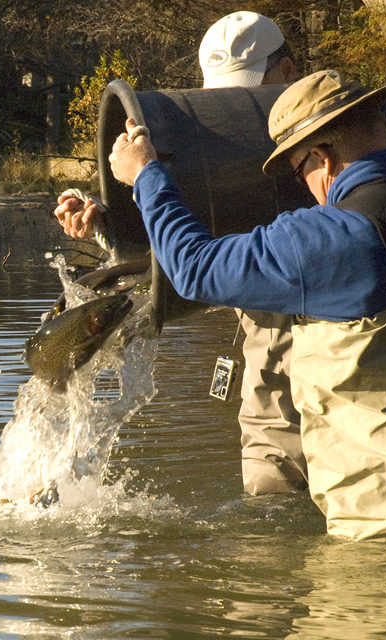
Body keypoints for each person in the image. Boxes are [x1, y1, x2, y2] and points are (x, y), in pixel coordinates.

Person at [106, 69, 386, 541]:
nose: (305, 189)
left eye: (300, 172)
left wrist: (146, 175)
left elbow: (193, 268)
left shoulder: (321, 240)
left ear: (323, 156)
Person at [55, 11, 310, 497]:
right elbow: (185, 239)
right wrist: (110, 225)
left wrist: (150, 176)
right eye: (226, 96)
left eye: (250, 91)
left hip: (335, 356)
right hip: (269, 360)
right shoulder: (226, 144)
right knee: (271, 500)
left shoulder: (333, 141)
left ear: (289, 74)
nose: (240, 107)